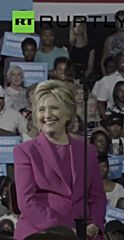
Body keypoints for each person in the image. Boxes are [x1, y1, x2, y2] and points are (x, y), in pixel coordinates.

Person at [13, 80, 106, 240]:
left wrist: (95, 225)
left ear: (68, 113)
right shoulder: (25, 151)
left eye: (54, 108)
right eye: (41, 109)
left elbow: (97, 197)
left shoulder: (87, 151)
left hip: (84, 232)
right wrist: (64, 233)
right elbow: (27, 202)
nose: (47, 115)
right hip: (41, 231)